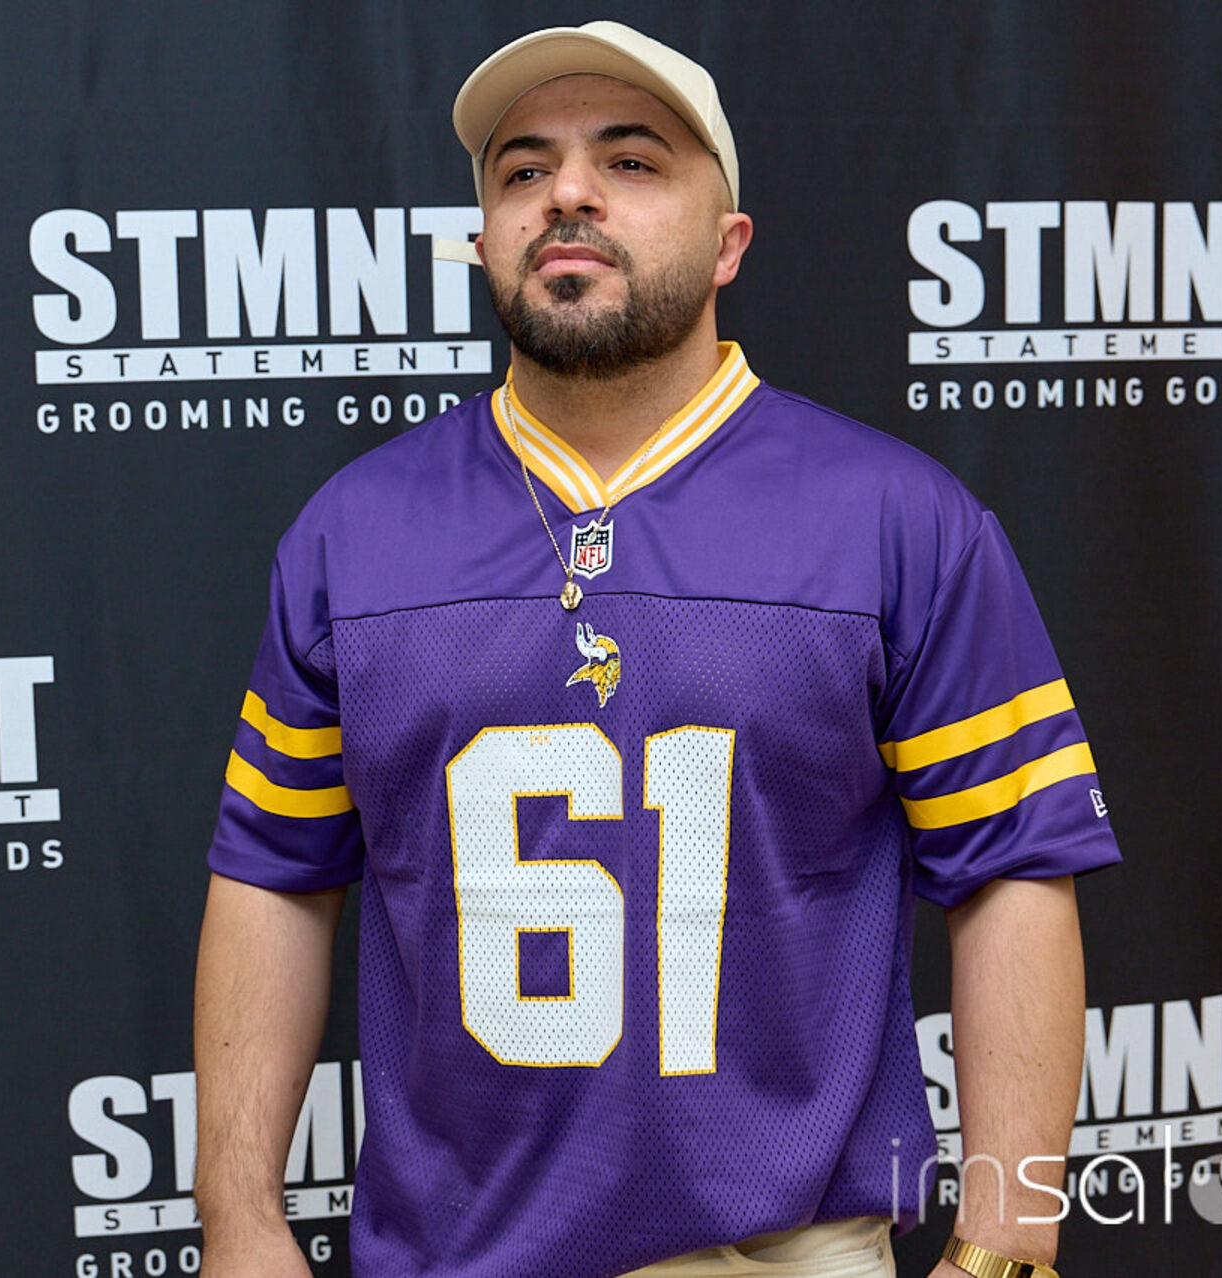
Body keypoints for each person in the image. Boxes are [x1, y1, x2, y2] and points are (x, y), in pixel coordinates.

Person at [193, 20, 1118, 1278]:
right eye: (523, 170)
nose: (567, 193)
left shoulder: (900, 521)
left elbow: (1014, 873)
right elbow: (273, 875)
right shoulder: (351, 533)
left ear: (729, 241)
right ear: (484, 238)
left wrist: (1008, 1248)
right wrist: (240, 1222)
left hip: (787, 1255)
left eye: (629, 161)